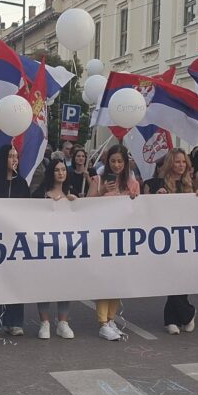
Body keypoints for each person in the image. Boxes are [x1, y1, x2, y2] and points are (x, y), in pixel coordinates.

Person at [144, 149, 198, 335]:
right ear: (170, 164)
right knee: (170, 277)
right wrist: (155, 197)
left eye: (184, 162)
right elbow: (147, 208)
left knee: (182, 278)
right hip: (164, 238)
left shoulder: (189, 184)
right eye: (177, 162)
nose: (181, 165)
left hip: (185, 238)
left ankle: (171, 319)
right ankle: (187, 312)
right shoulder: (160, 184)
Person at [88, 144, 139, 340]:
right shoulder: (98, 179)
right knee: (105, 279)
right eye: (113, 161)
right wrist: (101, 191)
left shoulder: (132, 184)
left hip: (123, 238)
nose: (116, 165)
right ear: (107, 162)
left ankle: (110, 320)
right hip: (102, 237)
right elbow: (86, 206)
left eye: (120, 161)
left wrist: (135, 200)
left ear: (125, 163)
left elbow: (138, 210)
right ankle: (102, 322)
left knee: (118, 280)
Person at [0, 144, 30, 338]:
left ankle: (14, 321)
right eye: (10, 156)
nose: (15, 159)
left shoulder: (22, 184)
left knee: (16, 281)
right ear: (3, 159)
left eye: (16, 156)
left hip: (16, 240)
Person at [33, 158, 75, 339]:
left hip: (66, 248)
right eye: (57, 170)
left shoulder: (71, 195)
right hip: (44, 248)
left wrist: (76, 204)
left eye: (63, 170)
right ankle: (45, 322)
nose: (61, 173)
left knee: (65, 283)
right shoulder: (40, 195)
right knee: (44, 284)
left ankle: (63, 322)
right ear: (51, 172)